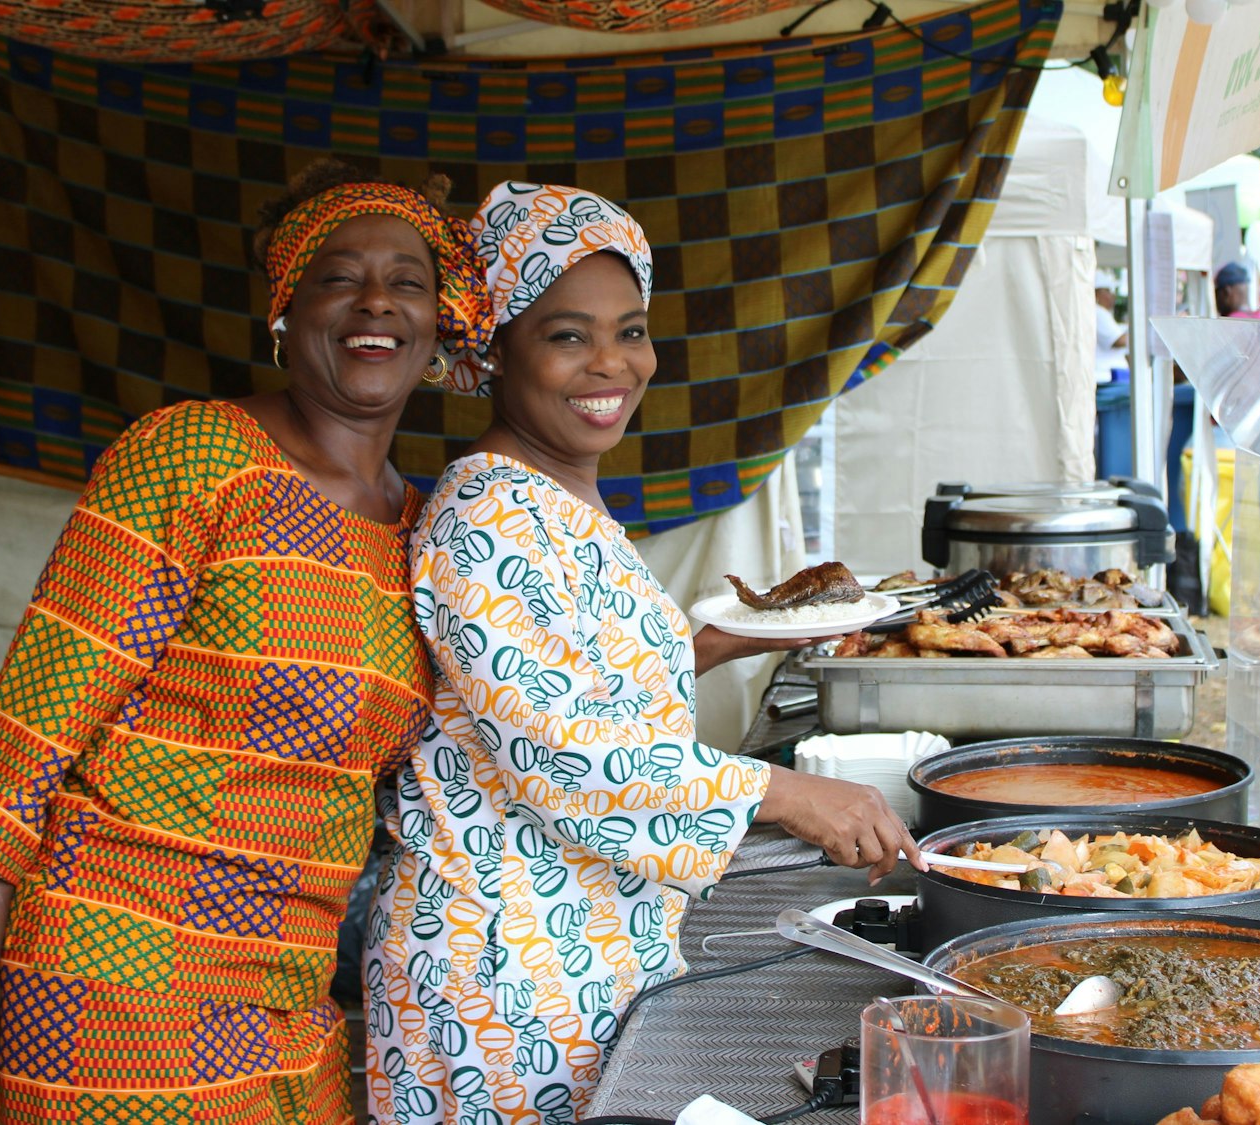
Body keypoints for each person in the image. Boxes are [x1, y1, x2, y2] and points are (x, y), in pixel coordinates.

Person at [0, 159, 476, 1124]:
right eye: (339, 276)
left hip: (293, 993)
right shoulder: (196, 456)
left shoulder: (425, 528)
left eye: (407, 281)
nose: (376, 300)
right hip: (111, 980)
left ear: (439, 321)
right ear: (285, 310)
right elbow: (30, 729)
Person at [364, 182, 924, 1125]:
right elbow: (562, 753)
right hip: (504, 977)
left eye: (631, 331)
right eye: (568, 335)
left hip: (582, 943)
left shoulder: (555, 497)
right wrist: (786, 792)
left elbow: (578, 688)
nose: (611, 363)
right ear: (495, 349)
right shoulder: (485, 515)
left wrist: (717, 644)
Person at [1095, 268, 1130, 382]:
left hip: (1113, 375)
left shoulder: (1101, 313)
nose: (1112, 296)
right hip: (1107, 376)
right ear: (1096, 293)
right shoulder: (1098, 312)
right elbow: (1118, 341)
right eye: (1108, 291)